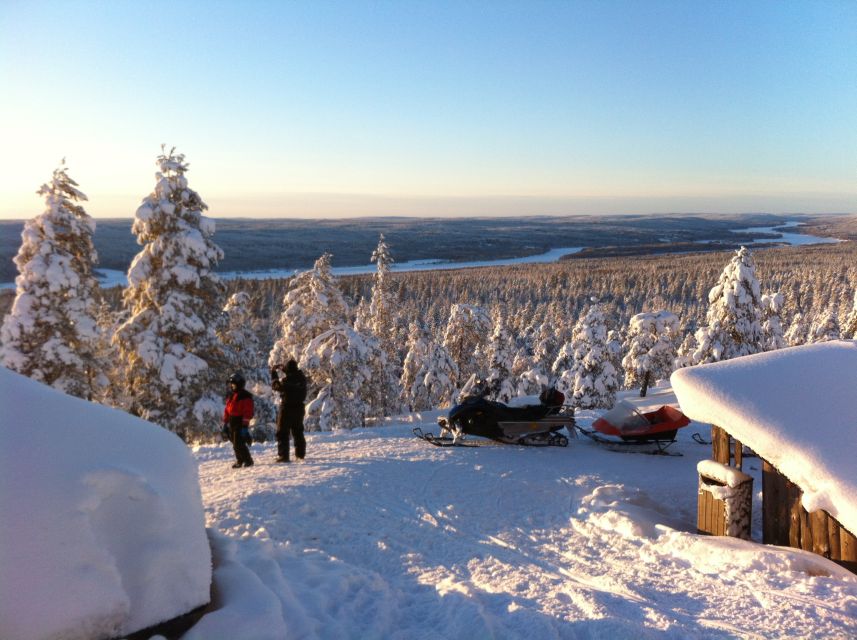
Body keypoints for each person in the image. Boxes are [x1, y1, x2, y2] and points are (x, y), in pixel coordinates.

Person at [271, 359, 307, 463]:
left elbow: (276, 386)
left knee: (282, 432)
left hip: (287, 408)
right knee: (298, 431)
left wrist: (274, 374)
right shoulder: (302, 379)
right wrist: (284, 369)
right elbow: (293, 374)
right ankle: (300, 454)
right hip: (299, 408)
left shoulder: (286, 381)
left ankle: (283, 456)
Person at [223, 372, 254, 468]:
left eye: (233, 384)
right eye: (231, 385)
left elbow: (248, 412)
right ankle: (240, 460)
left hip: (240, 422)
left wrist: (245, 425)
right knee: (234, 443)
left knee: (238, 443)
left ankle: (248, 460)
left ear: (239, 384)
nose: (231, 386)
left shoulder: (245, 396)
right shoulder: (232, 395)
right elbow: (227, 409)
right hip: (232, 422)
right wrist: (225, 422)